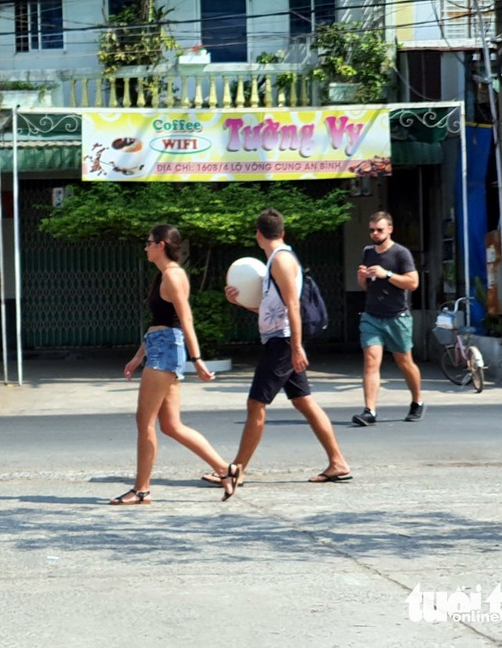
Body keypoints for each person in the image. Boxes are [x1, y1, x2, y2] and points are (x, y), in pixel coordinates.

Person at [222, 208, 352, 501]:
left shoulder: (280, 261)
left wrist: (296, 347)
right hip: (281, 339)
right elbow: (273, 308)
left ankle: (237, 470)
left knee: (256, 404)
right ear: (282, 232)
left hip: (282, 342)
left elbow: (293, 306)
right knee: (304, 402)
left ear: (258, 235)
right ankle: (338, 462)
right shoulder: (277, 260)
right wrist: (242, 303)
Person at [109, 224, 231, 505]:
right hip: (160, 347)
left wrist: (197, 359)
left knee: (145, 422)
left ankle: (141, 489)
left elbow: (185, 319)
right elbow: (160, 323)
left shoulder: (174, 276)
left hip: (166, 351)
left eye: (149, 242)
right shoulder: (164, 275)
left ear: (161, 245)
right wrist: (139, 355)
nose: (145, 247)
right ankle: (226, 470)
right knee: (172, 425)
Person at [352, 211, 423, 425]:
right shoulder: (367, 252)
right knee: (371, 361)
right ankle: (369, 411)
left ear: (390, 229)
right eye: (372, 230)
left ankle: (417, 401)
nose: (375, 234)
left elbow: (413, 283)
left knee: (404, 362)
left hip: (397, 316)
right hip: (372, 315)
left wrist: (387, 274)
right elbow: (365, 286)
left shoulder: (401, 253)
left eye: (379, 230)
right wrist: (362, 277)